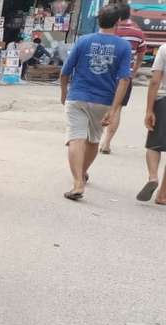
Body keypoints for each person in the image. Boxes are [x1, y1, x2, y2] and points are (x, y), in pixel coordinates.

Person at [59, 4, 132, 201]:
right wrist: (115, 109)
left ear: (98, 20)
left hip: (78, 97)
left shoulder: (83, 41)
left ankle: (77, 183)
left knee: (75, 138)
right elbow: (124, 80)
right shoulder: (124, 46)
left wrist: (64, 92)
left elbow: (65, 71)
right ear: (118, 22)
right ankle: (82, 173)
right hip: (104, 101)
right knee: (93, 139)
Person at [99, 2, 146, 154]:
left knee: (98, 104)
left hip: (105, 73)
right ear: (129, 14)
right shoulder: (138, 33)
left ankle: (94, 138)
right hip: (124, 76)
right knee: (117, 108)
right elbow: (140, 56)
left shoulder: (109, 31)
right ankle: (106, 143)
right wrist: (134, 71)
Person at [140, 43, 166, 204]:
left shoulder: (164, 48)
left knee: (154, 145)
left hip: (163, 101)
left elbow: (155, 81)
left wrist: (149, 110)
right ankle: (163, 195)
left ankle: (153, 176)